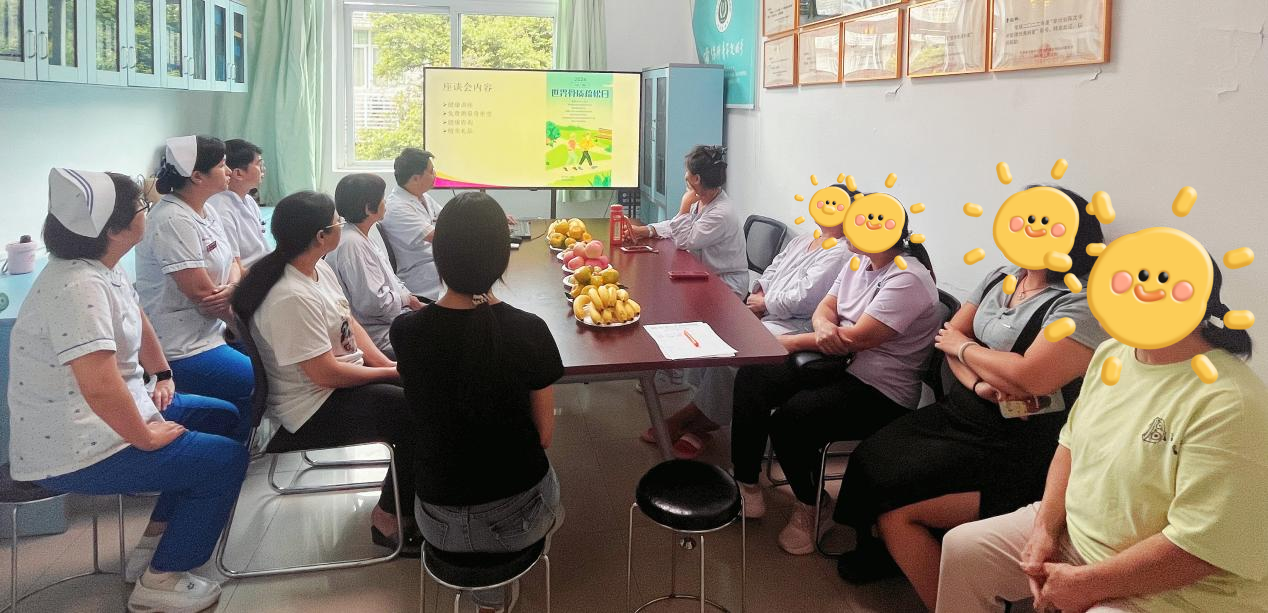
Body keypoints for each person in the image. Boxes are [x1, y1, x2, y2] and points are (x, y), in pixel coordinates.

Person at [833, 187, 1108, 610]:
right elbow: (949, 337)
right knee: (872, 457)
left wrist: (968, 351)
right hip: (967, 406)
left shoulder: (1081, 300)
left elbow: (1030, 376)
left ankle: (941, 585)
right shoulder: (1002, 276)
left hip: (1017, 438)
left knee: (900, 488)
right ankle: (883, 551)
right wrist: (981, 379)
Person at [937, 259, 1266, 613]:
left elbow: (1200, 547)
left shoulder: (1230, 402)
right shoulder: (1113, 353)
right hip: (1077, 533)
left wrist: (1085, 584)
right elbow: (1069, 444)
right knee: (963, 549)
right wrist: (1045, 529)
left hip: (1171, 592)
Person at [10, 169, 247, 613]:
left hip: (122, 410)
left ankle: (156, 541)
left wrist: (162, 375)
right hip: (81, 443)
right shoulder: (78, 288)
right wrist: (147, 436)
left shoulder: (105, 268)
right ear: (113, 230)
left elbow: (137, 317)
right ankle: (161, 581)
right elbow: (99, 387)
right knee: (224, 461)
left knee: (223, 417)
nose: (148, 210)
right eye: (141, 205)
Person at [730, 211, 942, 556]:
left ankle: (813, 506)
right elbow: (825, 307)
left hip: (881, 389)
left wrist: (794, 342)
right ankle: (747, 483)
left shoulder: (908, 278)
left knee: (791, 420)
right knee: (754, 375)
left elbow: (859, 338)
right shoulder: (858, 261)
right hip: (838, 365)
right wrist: (825, 327)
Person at [392, 193, 564, 613]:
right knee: (550, 498)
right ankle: (495, 590)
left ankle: (487, 595)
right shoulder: (529, 330)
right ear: (502, 258)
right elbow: (544, 435)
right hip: (516, 521)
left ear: (438, 256)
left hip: (435, 520)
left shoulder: (406, 332)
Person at [232, 191, 422, 555]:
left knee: (423, 385)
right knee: (419, 414)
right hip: (313, 407)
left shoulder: (317, 269)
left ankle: (418, 498)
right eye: (337, 222)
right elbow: (325, 374)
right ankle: (386, 518)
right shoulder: (290, 295)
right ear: (321, 236)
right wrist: (388, 376)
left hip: (340, 378)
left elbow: (349, 324)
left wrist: (386, 365)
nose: (341, 226)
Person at [638, 190, 852, 459]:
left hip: (797, 323)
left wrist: (765, 304)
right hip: (768, 308)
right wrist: (759, 294)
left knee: (733, 352)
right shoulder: (806, 239)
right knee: (713, 334)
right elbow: (774, 267)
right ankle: (702, 416)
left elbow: (804, 297)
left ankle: (693, 419)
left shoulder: (841, 252)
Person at [134, 135, 253, 442]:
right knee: (258, 382)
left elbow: (234, 262)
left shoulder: (206, 210)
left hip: (215, 329)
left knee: (276, 363)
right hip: (183, 345)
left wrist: (233, 288)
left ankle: (243, 442)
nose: (229, 172)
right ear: (197, 176)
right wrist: (234, 305)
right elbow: (202, 295)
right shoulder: (172, 220)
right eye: (222, 165)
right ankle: (237, 452)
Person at [626, 145, 749, 298]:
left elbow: (684, 240)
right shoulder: (704, 199)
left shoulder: (720, 213)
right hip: (703, 273)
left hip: (726, 284)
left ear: (696, 179)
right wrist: (646, 230)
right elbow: (680, 226)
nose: (685, 175)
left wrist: (684, 205)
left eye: (688, 171)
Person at [325, 173, 423, 358]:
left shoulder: (360, 237)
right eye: (382, 198)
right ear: (368, 208)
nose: (385, 203)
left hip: (391, 322)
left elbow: (391, 282)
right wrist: (406, 300)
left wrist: (410, 300)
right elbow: (374, 304)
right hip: (378, 336)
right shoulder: (352, 245)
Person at [378, 148, 446, 301]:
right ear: (416, 178)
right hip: (419, 273)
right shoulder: (397, 208)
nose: (435, 174)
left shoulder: (422, 197)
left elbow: (450, 219)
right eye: (431, 171)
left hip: (434, 263)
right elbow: (438, 237)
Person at [206, 139, 270, 269]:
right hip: (249, 275)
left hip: (263, 266)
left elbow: (262, 249)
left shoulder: (248, 200)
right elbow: (235, 266)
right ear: (238, 173)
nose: (263, 169)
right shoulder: (221, 210)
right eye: (259, 164)